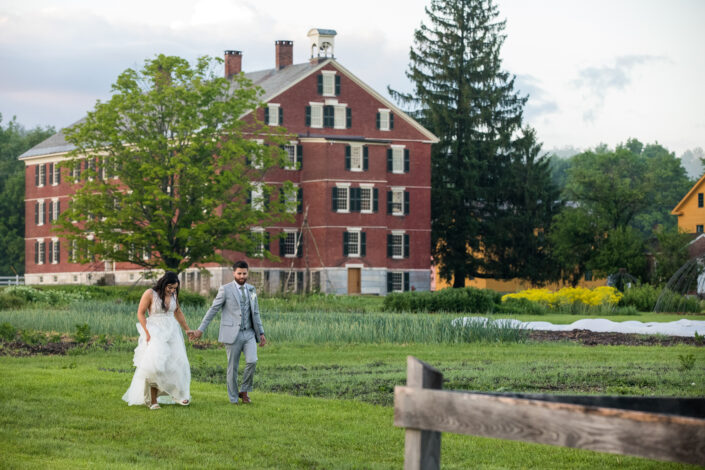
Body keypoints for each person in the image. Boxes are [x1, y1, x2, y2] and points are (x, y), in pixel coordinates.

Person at [191, 261, 266, 404]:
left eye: (244, 273)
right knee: (233, 367)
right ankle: (233, 399)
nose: (242, 276)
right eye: (239, 273)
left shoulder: (252, 289)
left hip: (249, 333)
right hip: (232, 334)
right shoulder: (225, 290)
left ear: (247, 273)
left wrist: (261, 332)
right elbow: (213, 310)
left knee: (252, 361)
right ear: (234, 273)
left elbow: (255, 312)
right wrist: (201, 329)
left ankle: (244, 390)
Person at [122, 271, 192, 410]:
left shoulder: (173, 295)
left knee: (178, 362)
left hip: (172, 331)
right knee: (156, 366)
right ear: (164, 283)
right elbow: (140, 313)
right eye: (170, 287)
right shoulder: (150, 293)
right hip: (155, 331)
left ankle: (178, 394)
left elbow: (177, 311)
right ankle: (152, 400)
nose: (172, 290)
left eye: (174, 288)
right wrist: (147, 332)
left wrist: (187, 329)